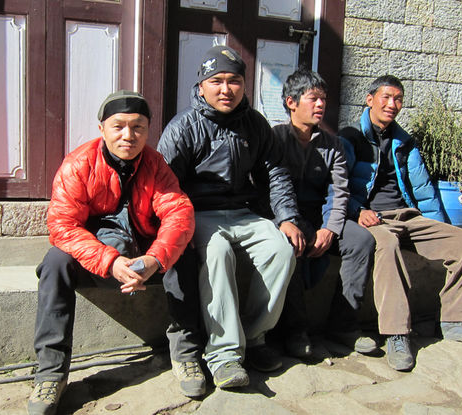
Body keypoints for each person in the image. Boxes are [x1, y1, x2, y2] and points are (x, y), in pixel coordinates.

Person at [29, 90, 199, 415]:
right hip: (100, 257)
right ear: (102, 129)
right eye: (118, 126)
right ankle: (51, 373)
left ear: (148, 131)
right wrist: (109, 261)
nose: (128, 136)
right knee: (54, 262)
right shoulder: (78, 165)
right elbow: (62, 225)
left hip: (143, 254)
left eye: (138, 127)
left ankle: (187, 353)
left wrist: (155, 259)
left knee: (183, 252)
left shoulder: (156, 165)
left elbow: (179, 213)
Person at [157, 45, 304, 389]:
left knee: (281, 250)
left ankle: (252, 337)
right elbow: (163, 185)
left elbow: (275, 172)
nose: (226, 89)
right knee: (217, 252)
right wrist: (174, 230)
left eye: (234, 81)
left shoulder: (255, 124)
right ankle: (223, 356)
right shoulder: (184, 126)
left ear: (243, 85)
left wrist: (286, 216)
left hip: (243, 212)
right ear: (202, 86)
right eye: (217, 81)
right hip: (199, 213)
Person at [338, 75, 462, 372]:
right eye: (386, 97)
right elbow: (337, 186)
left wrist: (441, 228)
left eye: (398, 99)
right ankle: (396, 334)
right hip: (373, 218)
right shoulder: (350, 137)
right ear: (370, 100)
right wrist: (357, 211)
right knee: (388, 245)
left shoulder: (405, 142)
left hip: (407, 215)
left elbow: (423, 190)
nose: (392, 104)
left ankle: (455, 319)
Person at [272, 68, 377, 359]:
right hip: (284, 219)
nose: (321, 105)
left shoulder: (333, 144)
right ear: (291, 102)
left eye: (324, 99)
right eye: (313, 98)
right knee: (288, 245)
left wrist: (330, 228)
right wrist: (290, 222)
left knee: (361, 241)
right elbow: (270, 188)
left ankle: (344, 325)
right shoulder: (275, 139)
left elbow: (339, 191)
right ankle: (295, 331)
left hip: (322, 218)